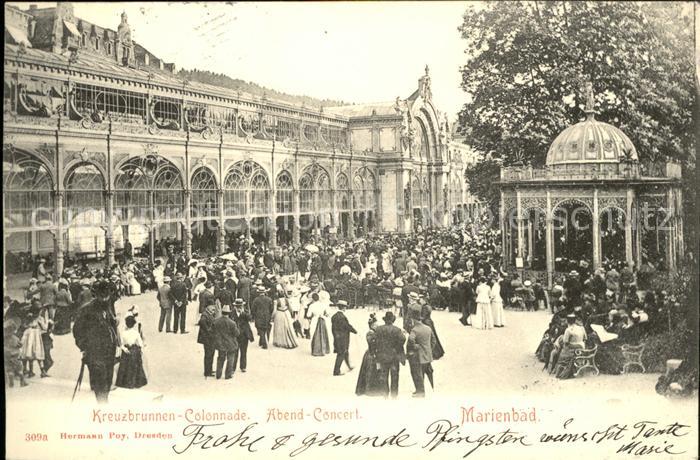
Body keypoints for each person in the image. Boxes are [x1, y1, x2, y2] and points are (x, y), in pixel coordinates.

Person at [72, 281, 119, 403]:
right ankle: (102, 407)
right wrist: (84, 347)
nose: (105, 299)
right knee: (100, 383)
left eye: (107, 296)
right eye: (101, 296)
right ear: (95, 295)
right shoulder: (86, 310)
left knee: (108, 382)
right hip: (95, 353)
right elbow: (77, 330)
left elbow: (110, 325)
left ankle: (104, 403)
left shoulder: (107, 307)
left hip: (109, 352)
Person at [373, 311, 406, 399]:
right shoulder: (397, 330)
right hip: (394, 357)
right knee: (395, 376)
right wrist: (397, 347)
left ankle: (385, 395)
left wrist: (376, 350)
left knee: (383, 376)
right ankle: (394, 395)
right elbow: (403, 339)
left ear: (385, 320)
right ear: (392, 320)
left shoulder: (378, 329)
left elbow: (373, 340)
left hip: (382, 356)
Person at [115, 315, 147, 389]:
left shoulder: (123, 333)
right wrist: (141, 348)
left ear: (126, 324)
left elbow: (120, 344)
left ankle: (124, 382)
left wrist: (125, 349)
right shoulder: (136, 333)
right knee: (135, 366)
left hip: (126, 351)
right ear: (134, 324)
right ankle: (136, 382)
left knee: (124, 367)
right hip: (134, 351)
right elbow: (141, 344)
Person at [407, 315, 436, 398]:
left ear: (414, 320)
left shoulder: (414, 330)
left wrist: (415, 346)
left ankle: (420, 392)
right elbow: (433, 340)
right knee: (424, 372)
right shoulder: (428, 328)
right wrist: (429, 349)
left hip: (418, 356)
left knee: (417, 374)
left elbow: (410, 340)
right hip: (427, 356)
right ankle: (425, 389)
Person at [355, 313, 381, 396]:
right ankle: (370, 390)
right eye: (376, 324)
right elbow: (372, 344)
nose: (377, 326)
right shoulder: (370, 333)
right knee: (371, 371)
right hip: (372, 354)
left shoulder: (374, 332)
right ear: (372, 325)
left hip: (372, 353)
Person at [213, 304, 240, 380]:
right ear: (228, 313)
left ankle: (218, 374)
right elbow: (237, 333)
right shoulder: (232, 323)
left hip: (220, 343)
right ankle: (228, 374)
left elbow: (213, 331)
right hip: (230, 343)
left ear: (222, 312)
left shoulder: (216, 321)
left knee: (220, 358)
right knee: (230, 358)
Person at [331, 300, 357, 376]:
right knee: (341, 353)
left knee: (345, 352)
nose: (346, 308)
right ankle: (336, 371)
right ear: (343, 308)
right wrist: (354, 330)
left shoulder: (334, 316)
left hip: (337, 337)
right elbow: (346, 326)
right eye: (345, 307)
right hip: (343, 338)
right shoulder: (342, 317)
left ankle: (349, 366)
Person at [231, 299, 254, 372]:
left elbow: (250, 318)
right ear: (235, 306)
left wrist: (243, 313)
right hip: (235, 335)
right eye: (237, 306)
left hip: (244, 335)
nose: (239, 307)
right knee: (235, 352)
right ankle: (233, 367)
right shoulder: (232, 313)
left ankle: (243, 367)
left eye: (240, 306)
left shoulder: (246, 312)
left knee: (243, 352)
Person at [196, 303, 217, 378]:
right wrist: (208, 330)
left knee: (211, 354)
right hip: (207, 339)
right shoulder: (205, 315)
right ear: (208, 308)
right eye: (213, 309)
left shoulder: (208, 314)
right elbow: (201, 322)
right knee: (208, 355)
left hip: (210, 338)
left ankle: (209, 369)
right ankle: (207, 372)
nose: (214, 311)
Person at [308, 292, 331, 356]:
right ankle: (324, 349)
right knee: (323, 334)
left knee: (313, 334)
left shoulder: (311, 306)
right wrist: (324, 314)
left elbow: (308, 315)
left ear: (313, 299)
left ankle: (316, 350)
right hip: (322, 319)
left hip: (315, 319)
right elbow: (328, 313)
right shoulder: (323, 305)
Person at [251, 285, 274, 349]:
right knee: (265, 328)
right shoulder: (269, 299)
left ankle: (264, 344)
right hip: (267, 316)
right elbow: (271, 309)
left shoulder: (256, 300)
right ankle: (261, 341)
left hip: (259, 316)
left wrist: (254, 315)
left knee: (260, 329)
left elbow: (253, 309)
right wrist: (269, 314)